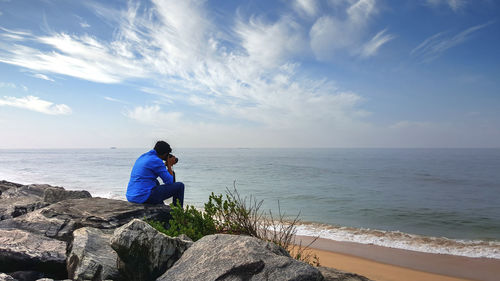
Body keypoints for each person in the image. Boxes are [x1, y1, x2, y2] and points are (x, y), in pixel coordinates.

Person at [126, 140, 184, 207]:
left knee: (155, 182)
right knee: (180, 186)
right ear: (165, 154)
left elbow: (152, 167)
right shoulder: (157, 161)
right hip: (143, 197)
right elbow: (170, 182)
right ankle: (177, 212)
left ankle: (160, 205)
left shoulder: (143, 156)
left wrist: (165, 165)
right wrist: (169, 165)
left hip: (131, 196)